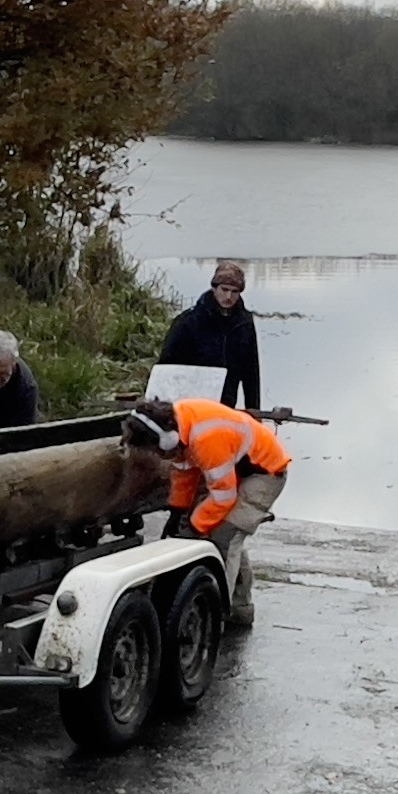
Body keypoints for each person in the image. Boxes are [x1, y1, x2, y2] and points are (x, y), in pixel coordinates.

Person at [135, 394, 292, 629]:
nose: (159, 456)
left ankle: (215, 617)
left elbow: (223, 497)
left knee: (224, 536)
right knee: (227, 537)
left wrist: (195, 526)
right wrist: (178, 510)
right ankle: (240, 608)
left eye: (159, 451)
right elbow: (185, 471)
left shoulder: (206, 438)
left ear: (167, 439)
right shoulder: (179, 422)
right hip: (237, 468)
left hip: (264, 473)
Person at [156, 260, 262, 411]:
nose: (228, 296)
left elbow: (251, 372)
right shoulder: (188, 321)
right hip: (191, 402)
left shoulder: (245, 324)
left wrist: (254, 412)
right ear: (214, 288)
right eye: (224, 289)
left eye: (234, 292)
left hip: (227, 403)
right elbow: (167, 367)